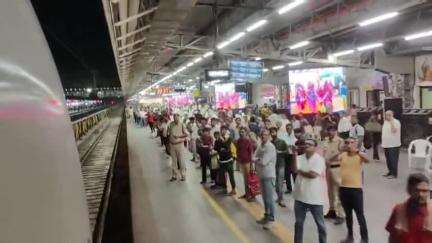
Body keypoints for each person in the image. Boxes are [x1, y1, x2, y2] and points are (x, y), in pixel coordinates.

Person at [334, 137, 369, 243]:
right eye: (347, 142)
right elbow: (330, 159)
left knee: (360, 215)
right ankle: (350, 236)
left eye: (351, 142)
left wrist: (357, 151)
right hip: (343, 189)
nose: (349, 144)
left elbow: (368, 160)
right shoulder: (343, 155)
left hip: (356, 190)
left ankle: (364, 238)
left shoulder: (359, 155)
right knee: (348, 215)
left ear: (356, 144)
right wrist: (340, 150)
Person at [293, 139, 327, 243]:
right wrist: (294, 154)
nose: (306, 145)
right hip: (300, 196)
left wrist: (300, 171)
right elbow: (294, 169)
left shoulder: (319, 159)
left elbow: (313, 175)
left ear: (315, 147)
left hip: (314, 197)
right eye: (305, 144)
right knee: (298, 223)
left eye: (310, 144)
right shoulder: (299, 157)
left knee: (320, 224)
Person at [386, 173, 432, 242]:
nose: (421, 194)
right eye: (417, 190)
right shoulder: (399, 210)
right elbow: (392, 238)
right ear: (409, 190)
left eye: (424, 191)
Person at [254, 129, 277, 230]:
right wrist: (257, 159)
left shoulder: (270, 147)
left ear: (269, 136)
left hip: (269, 175)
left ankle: (271, 219)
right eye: (262, 135)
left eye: (266, 135)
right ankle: (266, 215)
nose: (263, 136)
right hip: (261, 175)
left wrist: (257, 159)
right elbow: (253, 156)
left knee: (270, 199)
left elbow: (263, 161)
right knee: (264, 198)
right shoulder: (260, 146)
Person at [322, 126, 345, 225]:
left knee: (338, 191)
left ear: (336, 131)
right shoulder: (326, 140)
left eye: (332, 130)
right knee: (330, 191)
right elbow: (324, 153)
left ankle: (341, 214)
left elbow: (341, 152)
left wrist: (331, 158)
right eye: (329, 130)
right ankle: (332, 210)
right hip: (328, 168)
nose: (330, 132)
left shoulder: (340, 141)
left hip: (337, 168)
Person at [214, 125, 236, 195]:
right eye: (222, 129)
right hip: (221, 160)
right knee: (222, 175)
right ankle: (224, 188)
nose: (223, 131)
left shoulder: (229, 138)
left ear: (226, 130)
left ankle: (233, 189)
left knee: (231, 175)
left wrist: (222, 147)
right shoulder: (218, 139)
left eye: (224, 129)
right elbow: (216, 147)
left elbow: (227, 148)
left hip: (229, 160)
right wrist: (221, 147)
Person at [270, 127, 288, 207]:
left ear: (276, 132)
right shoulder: (270, 143)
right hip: (273, 166)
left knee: (280, 184)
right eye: (271, 132)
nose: (272, 133)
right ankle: (279, 197)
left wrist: (280, 152)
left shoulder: (282, 142)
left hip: (281, 165)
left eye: (273, 132)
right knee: (276, 184)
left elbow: (287, 152)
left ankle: (282, 200)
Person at [235, 127, 255, 200]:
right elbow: (238, 151)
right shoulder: (238, 141)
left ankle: (251, 194)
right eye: (240, 132)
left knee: (248, 179)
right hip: (242, 162)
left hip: (247, 162)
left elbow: (251, 153)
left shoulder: (248, 141)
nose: (241, 133)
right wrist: (238, 161)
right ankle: (247, 193)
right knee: (245, 179)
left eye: (243, 132)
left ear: (246, 133)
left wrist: (252, 164)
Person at [168, 113, 188, 182]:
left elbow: (186, 134)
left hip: (180, 145)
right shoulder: (171, 124)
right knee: (174, 161)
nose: (175, 119)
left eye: (177, 118)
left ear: (179, 118)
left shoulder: (182, 124)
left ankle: (183, 175)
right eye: (174, 118)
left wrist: (179, 136)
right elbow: (169, 133)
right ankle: (174, 175)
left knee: (181, 161)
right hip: (172, 145)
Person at [382, 110, 401, 179]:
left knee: (393, 160)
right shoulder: (385, 122)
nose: (387, 116)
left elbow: (394, 131)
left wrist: (392, 121)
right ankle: (390, 172)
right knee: (388, 160)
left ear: (392, 115)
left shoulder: (396, 122)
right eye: (386, 115)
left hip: (393, 145)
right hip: (386, 144)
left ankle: (394, 174)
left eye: (389, 115)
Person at [281, 123, 297, 193]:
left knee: (294, 172)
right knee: (287, 173)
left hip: (293, 156)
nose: (288, 129)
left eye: (289, 128)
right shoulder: (284, 136)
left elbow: (296, 146)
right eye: (287, 128)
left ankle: (297, 188)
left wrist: (291, 146)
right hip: (286, 155)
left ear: (292, 129)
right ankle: (289, 188)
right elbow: (283, 145)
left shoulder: (295, 137)